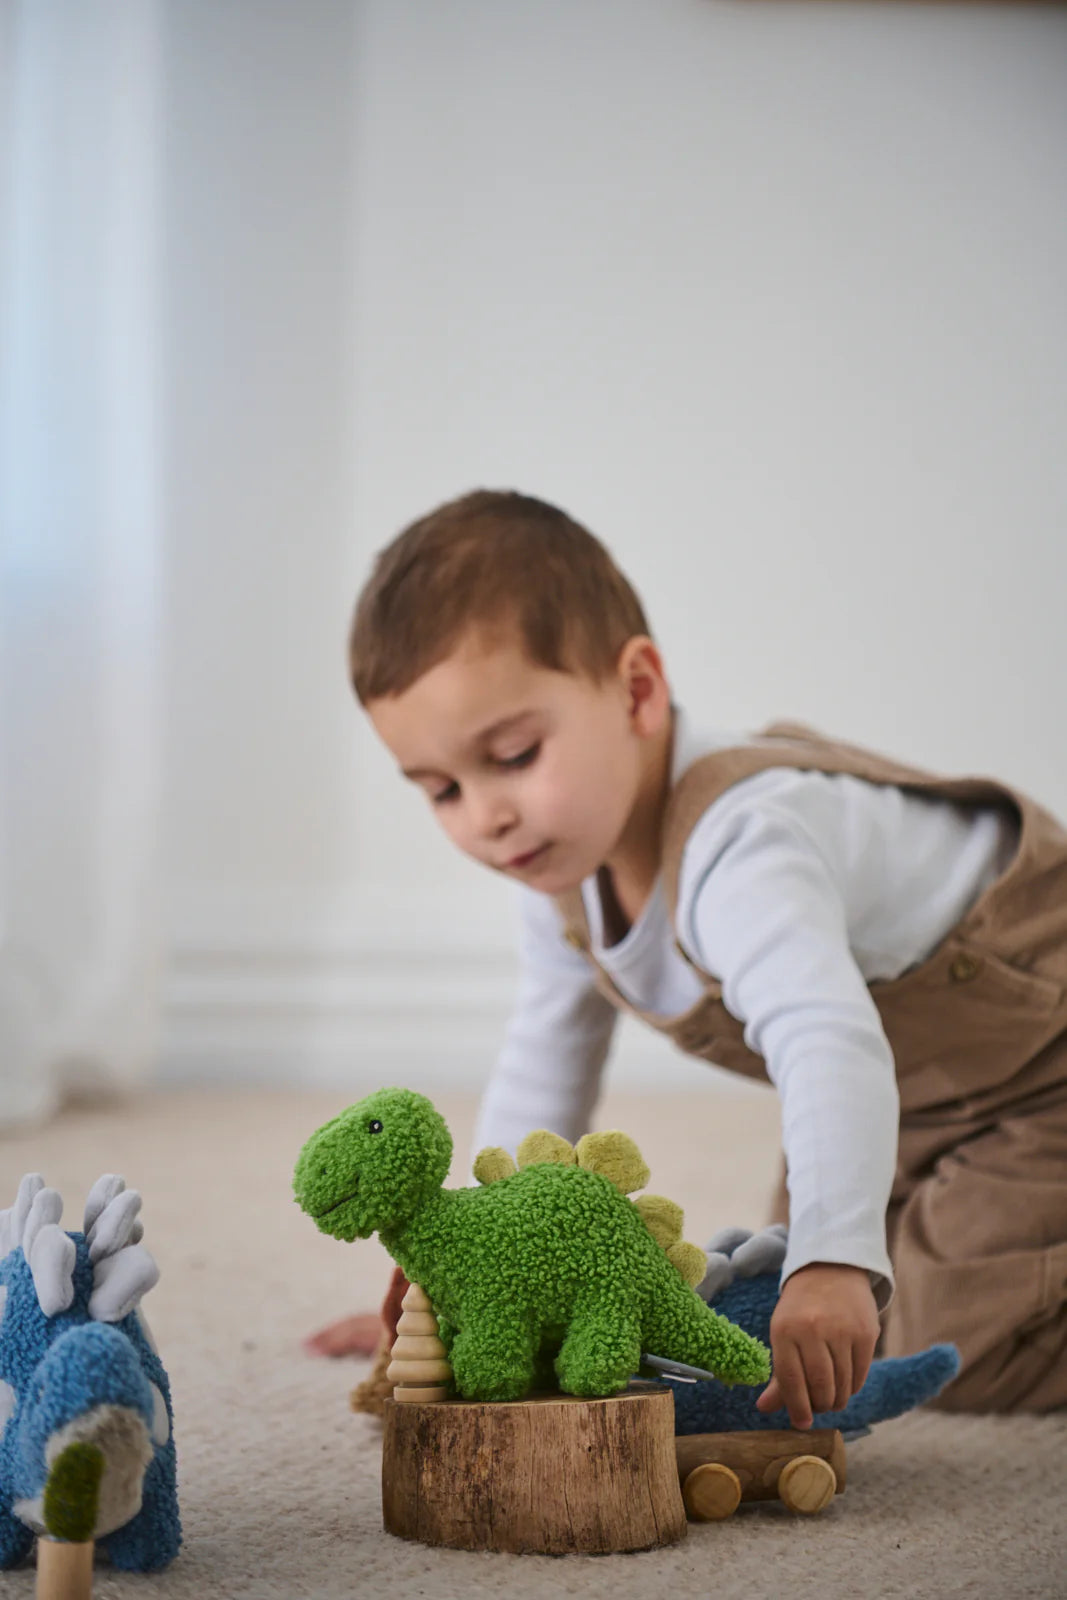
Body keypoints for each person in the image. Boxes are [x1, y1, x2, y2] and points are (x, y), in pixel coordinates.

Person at [305, 488, 1067, 1424]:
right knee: (770, 1298)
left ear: (636, 691)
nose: (485, 816)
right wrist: (459, 1270)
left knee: (940, 1333)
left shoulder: (744, 848)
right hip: (912, 1087)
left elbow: (826, 1043)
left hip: (1042, 1063)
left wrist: (834, 1262)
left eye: (512, 755)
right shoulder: (561, 870)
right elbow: (545, 1056)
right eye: (441, 790)